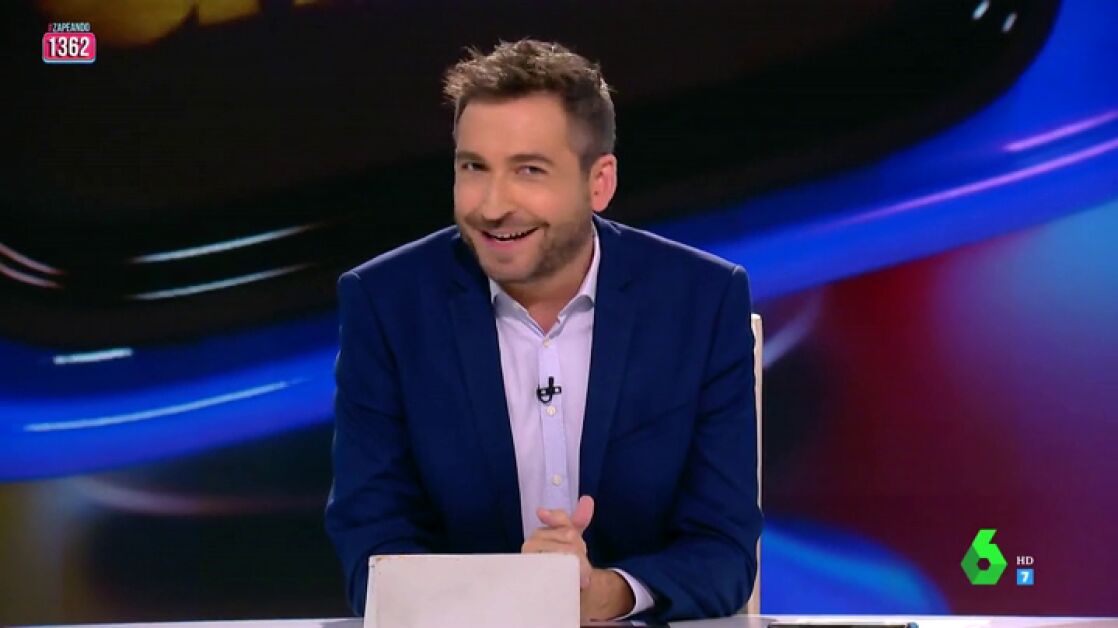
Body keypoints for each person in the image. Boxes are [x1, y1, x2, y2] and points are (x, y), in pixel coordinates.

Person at [325, 38, 761, 622]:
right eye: (473, 168)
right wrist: (518, 597)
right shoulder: (387, 306)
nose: (492, 206)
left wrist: (602, 593)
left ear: (599, 182)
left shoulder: (700, 302)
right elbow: (372, 544)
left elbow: (723, 549)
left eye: (528, 170)